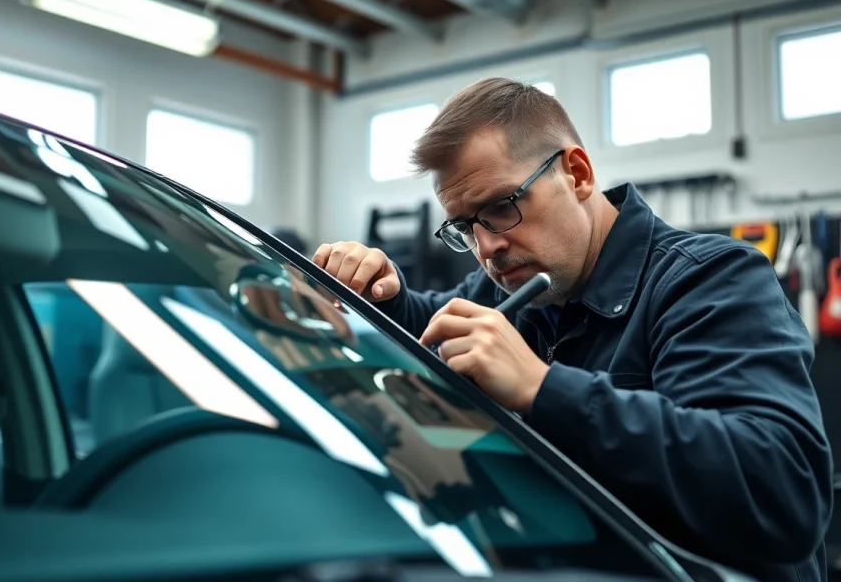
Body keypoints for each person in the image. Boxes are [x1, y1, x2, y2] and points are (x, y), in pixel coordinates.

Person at [312, 77, 833, 582]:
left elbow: (781, 489)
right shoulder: (512, 289)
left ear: (578, 174)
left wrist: (544, 389)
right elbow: (433, 323)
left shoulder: (710, 280)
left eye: (501, 207)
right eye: (465, 226)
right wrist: (383, 290)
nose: (487, 246)